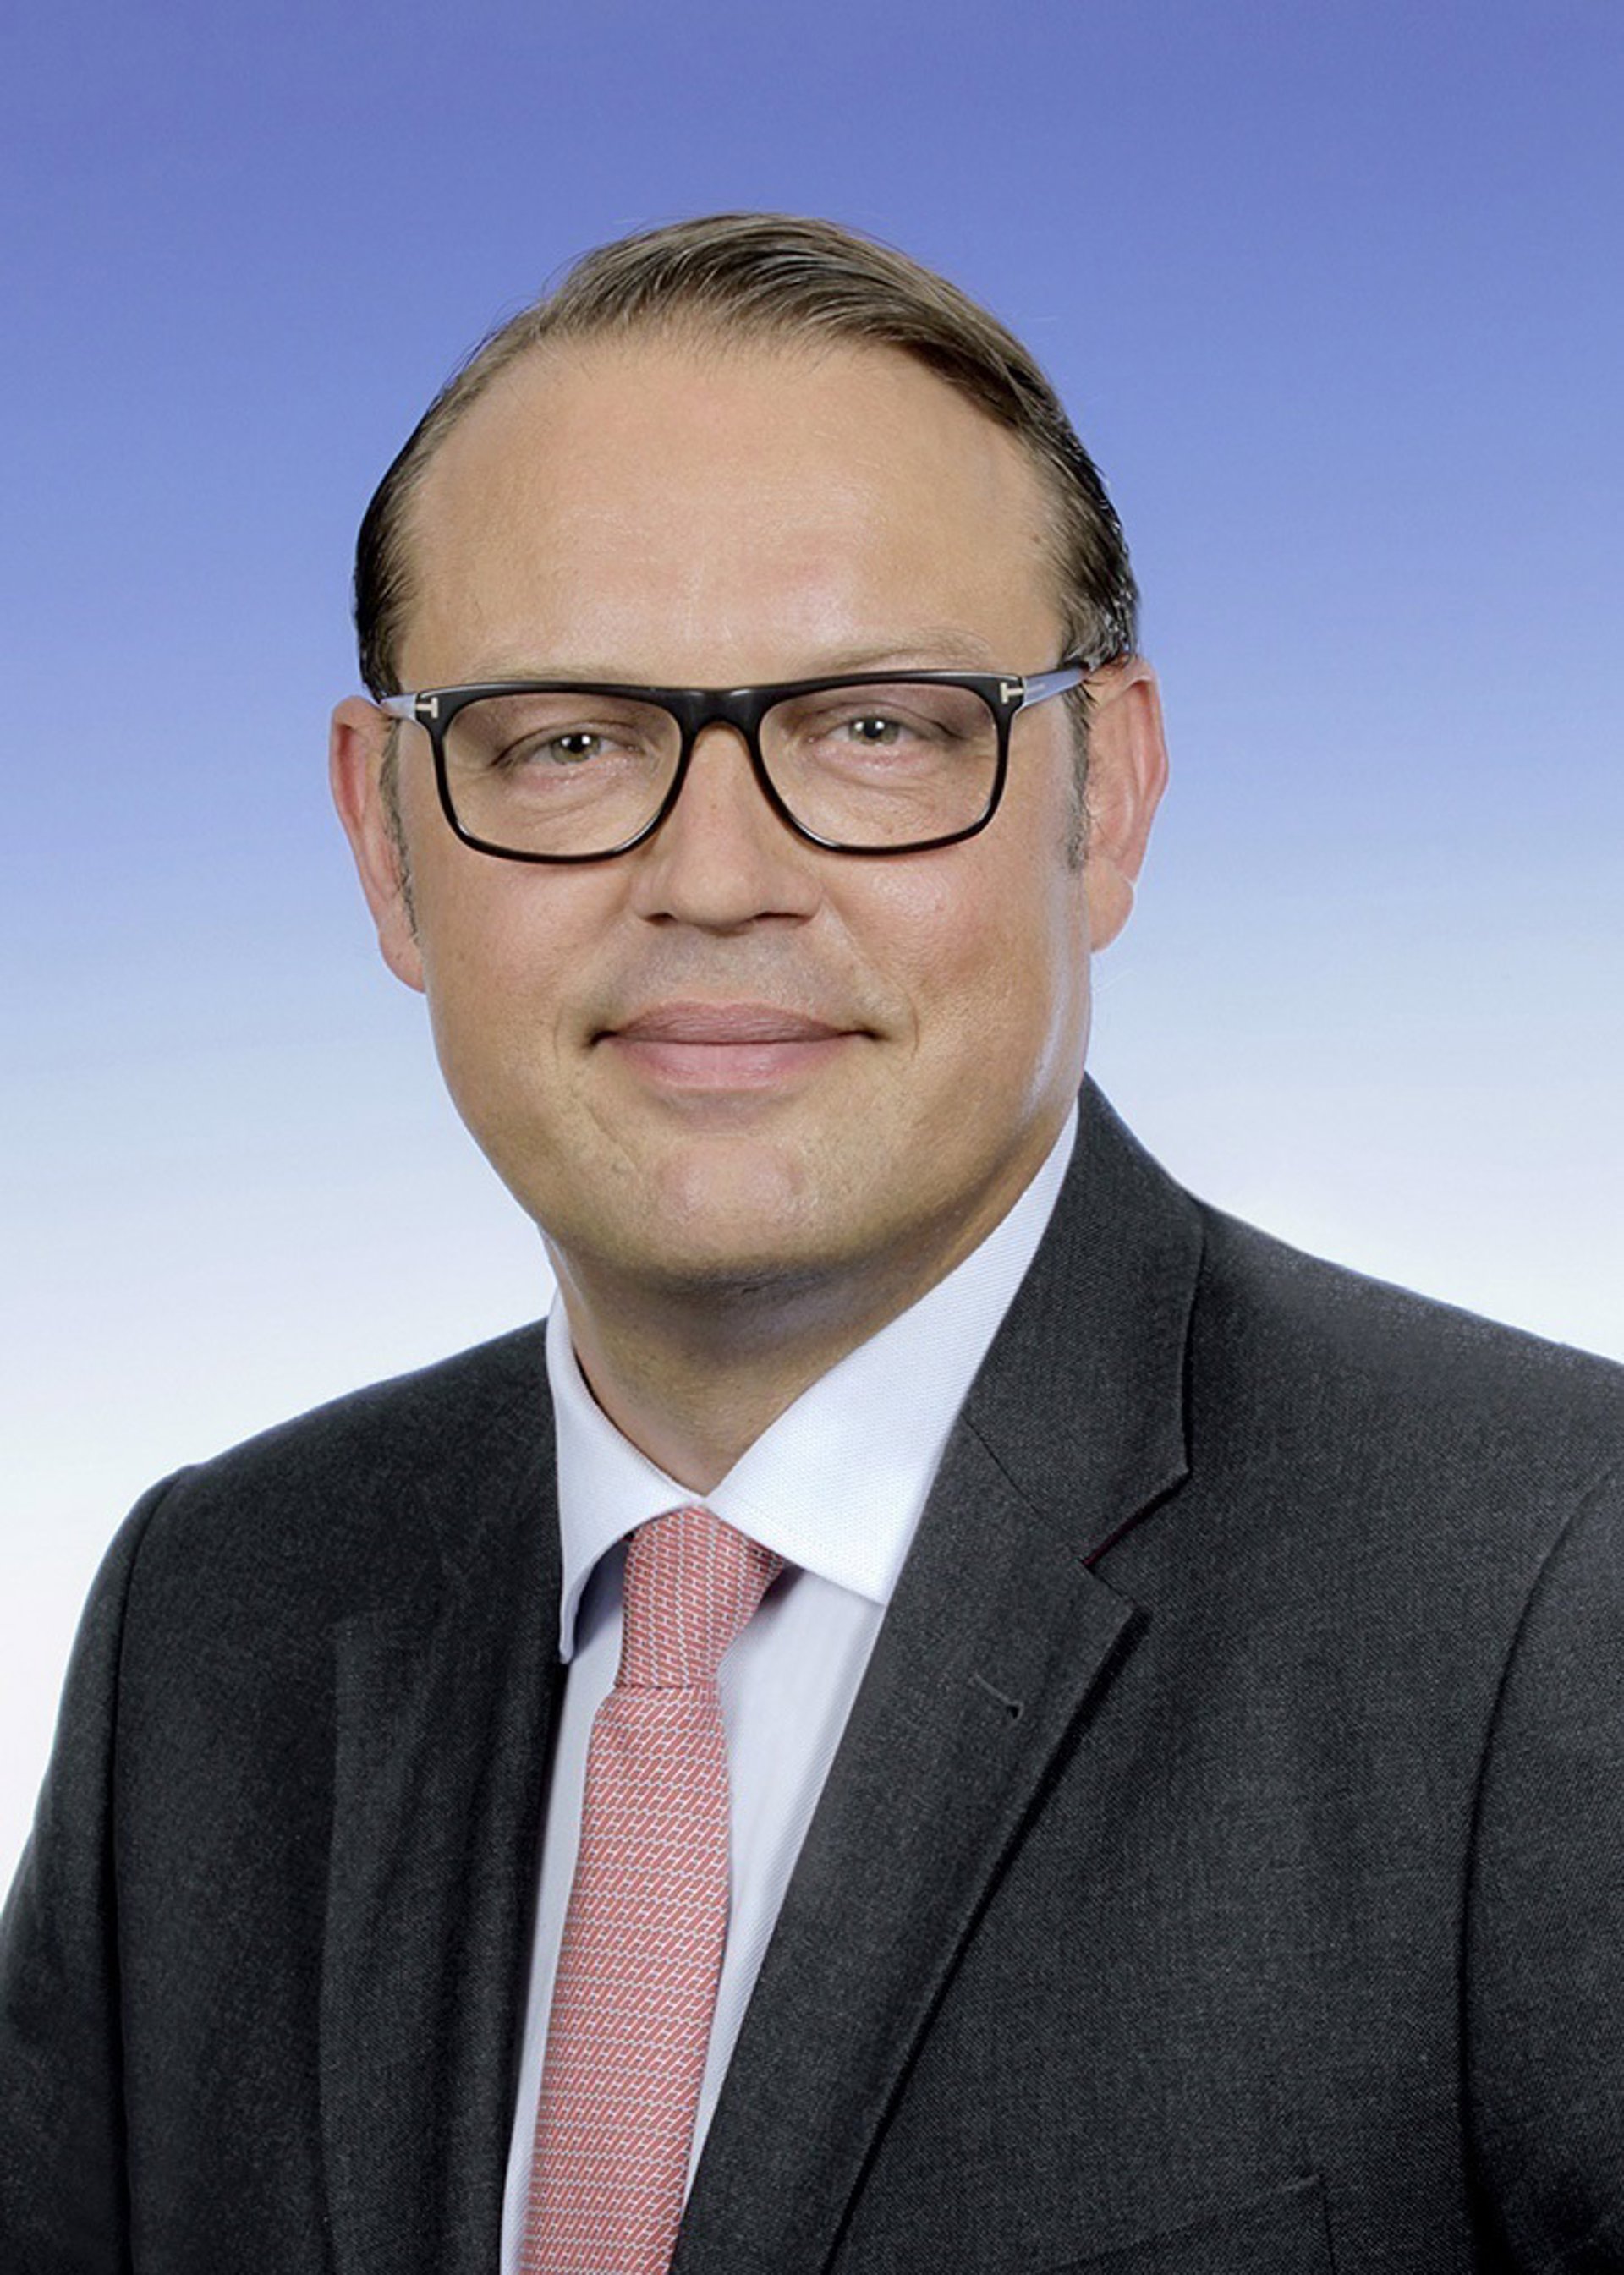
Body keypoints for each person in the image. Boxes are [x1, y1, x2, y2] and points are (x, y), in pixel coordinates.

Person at [3, 211, 1621, 2275]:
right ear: (384, 842)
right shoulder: (214, 1620)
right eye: (567, 738)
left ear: (1107, 798)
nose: (717, 876)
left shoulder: (1558, 1601)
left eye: (875, 727)